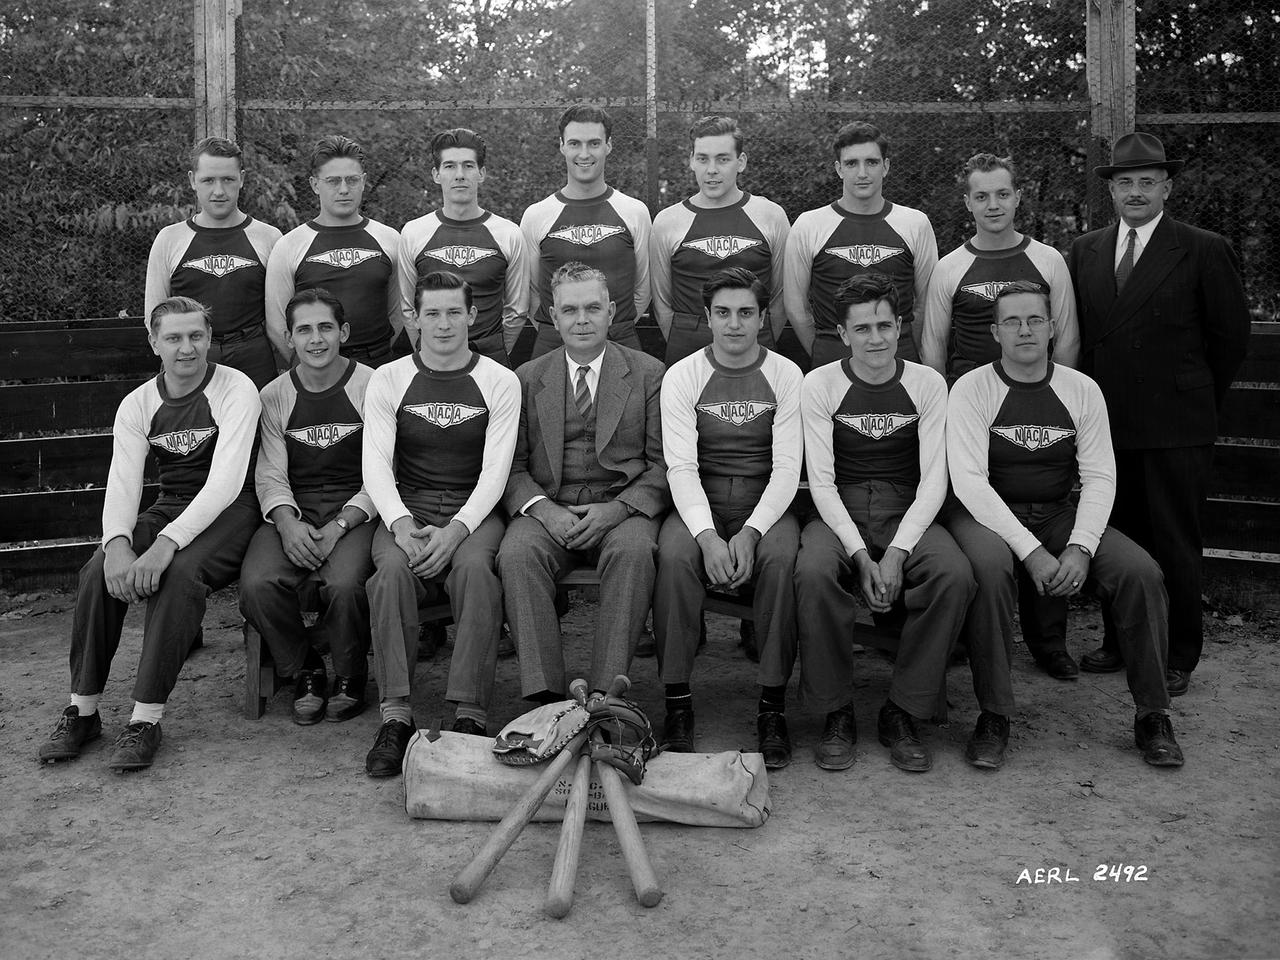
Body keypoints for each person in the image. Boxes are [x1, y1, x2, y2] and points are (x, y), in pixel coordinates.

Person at [945, 281, 1183, 769]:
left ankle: (1153, 714)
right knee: (990, 572)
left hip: (1056, 512)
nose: (1024, 330)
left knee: (1140, 572)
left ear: (1053, 328)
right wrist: (1031, 551)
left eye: (1035, 319)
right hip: (986, 516)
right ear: (994, 331)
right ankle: (994, 715)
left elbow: (1099, 476)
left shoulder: (1081, 389)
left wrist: (1081, 546)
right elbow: (969, 481)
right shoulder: (972, 388)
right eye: (1012, 321)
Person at [37, 297, 260, 771]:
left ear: (209, 339)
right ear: (154, 342)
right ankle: (83, 710)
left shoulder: (236, 388)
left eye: (196, 336)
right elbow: (123, 482)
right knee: (98, 570)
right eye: (174, 338)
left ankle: (145, 719)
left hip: (233, 509)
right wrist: (117, 544)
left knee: (178, 574)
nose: (186, 348)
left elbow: (225, 483)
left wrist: (166, 545)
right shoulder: (137, 403)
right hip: (173, 505)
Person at [1068, 133, 1251, 698]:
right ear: (1111, 191)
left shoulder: (1202, 248)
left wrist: (1190, 398)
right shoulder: (1086, 250)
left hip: (1176, 426)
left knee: (1174, 542)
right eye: (1125, 182)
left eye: (1147, 182)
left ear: (1167, 188)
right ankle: (1120, 641)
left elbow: (1229, 339)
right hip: (1109, 426)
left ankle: (1178, 653)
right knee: (1115, 541)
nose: (1136, 192)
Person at [795, 274, 974, 773]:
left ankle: (904, 709)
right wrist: (859, 555)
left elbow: (934, 480)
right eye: (862, 328)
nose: (875, 338)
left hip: (907, 506)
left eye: (884, 326)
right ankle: (835, 709)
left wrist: (896, 553)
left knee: (954, 574)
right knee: (812, 572)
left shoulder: (927, 383)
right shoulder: (820, 383)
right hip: (840, 507)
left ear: (900, 327)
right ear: (842, 333)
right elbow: (822, 482)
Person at [360, 271, 520, 777]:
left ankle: (469, 714)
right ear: (414, 318)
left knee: (476, 574)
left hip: (474, 509)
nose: (444, 324)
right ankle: (396, 714)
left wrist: (457, 531)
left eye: (454, 312)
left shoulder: (500, 379)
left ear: (472, 315)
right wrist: (400, 525)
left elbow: (496, 471)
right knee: (390, 575)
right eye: (432, 313)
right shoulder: (389, 378)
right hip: (408, 504)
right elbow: (375, 464)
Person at [497, 262, 668, 701]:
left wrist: (618, 509)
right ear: (553, 318)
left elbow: (663, 465)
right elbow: (510, 467)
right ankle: (546, 698)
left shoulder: (648, 373)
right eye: (570, 310)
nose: (582, 320)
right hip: (549, 506)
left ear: (611, 312)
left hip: (622, 508)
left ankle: (606, 696)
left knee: (634, 552)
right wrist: (543, 511)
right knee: (517, 553)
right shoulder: (527, 378)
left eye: (593, 308)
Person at [652, 267, 802, 762]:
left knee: (781, 562)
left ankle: (772, 705)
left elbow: (787, 468)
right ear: (708, 317)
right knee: (675, 558)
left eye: (745, 313)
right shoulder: (683, 374)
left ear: (762, 318)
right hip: (702, 496)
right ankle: (677, 702)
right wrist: (708, 536)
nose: (734, 324)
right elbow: (680, 465)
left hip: (766, 500)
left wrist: (754, 532)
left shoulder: (786, 374)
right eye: (723, 313)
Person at [238, 288, 377, 726]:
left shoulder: (372, 385)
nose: (316, 339)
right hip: (295, 507)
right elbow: (270, 473)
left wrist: (342, 524)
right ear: (289, 338)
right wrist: (286, 523)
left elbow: (383, 471)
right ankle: (305, 669)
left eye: (325, 328)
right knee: (258, 583)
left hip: (356, 508)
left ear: (344, 332)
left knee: (345, 584)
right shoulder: (274, 395)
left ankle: (351, 675)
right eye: (304, 330)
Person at [784, 121, 937, 369]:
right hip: (832, 358)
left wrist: (901, 343)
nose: (862, 173)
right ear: (839, 169)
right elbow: (796, 307)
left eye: (872, 162)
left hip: (899, 358)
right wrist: (826, 349)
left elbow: (925, 304)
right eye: (852, 163)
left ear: (886, 166)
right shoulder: (809, 225)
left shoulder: (915, 223)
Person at [921, 152, 1079, 383]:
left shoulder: (1049, 260)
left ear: (1017, 197)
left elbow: (1068, 340)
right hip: (969, 394)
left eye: (1002, 194)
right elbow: (933, 347)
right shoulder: (948, 267)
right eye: (981, 197)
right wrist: (943, 399)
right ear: (968, 202)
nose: (993, 205)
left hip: (1036, 390)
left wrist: (1054, 392)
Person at [649, 116, 791, 364]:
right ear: (692, 161)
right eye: (703, 159)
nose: (711, 169)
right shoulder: (667, 221)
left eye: (723, 159)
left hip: (756, 340)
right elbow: (662, 302)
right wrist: (685, 336)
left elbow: (781, 296)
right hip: (688, 342)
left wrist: (763, 334)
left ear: (741, 162)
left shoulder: (771, 216)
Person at [145, 137, 282, 389]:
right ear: (192, 180)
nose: (219, 191)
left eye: (228, 179)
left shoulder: (269, 238)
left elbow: (280, 318)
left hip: (252, 354)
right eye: (208, 180)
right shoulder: (169, 239)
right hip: (190, 353)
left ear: (241, 178)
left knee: (256, 417)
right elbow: (154, 317)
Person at [520, 105, 651, 358]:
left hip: (620, 339)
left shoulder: (635, 212)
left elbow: (643, 289)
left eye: (594, 143)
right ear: (562, 146)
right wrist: (561, 328)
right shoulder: (536, 215)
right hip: (553, 343)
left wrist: (608, 326)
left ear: (608, 145)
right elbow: (533, 293)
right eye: (574, 143)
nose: (584, 153)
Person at [266, 135, 408, 367]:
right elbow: (277, 323)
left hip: (376, 364)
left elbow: (398, 312)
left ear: (363, 181)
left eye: (352, 180)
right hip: (314, 367)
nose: (344, 189)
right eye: (333, 181)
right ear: (314, 184)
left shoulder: (390, 239)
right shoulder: (289, 245)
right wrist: (308, 365)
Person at [398, 128, 531, 366]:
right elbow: (408, 308)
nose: (459, 175)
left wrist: (496, 349)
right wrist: (427, 347)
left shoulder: (509, 234)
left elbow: (517, 310)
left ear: (481, 173)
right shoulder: (413, 232)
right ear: (436, 174)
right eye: (450, 166)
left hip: (490, 356)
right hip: (431, 358)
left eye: (468, 166)